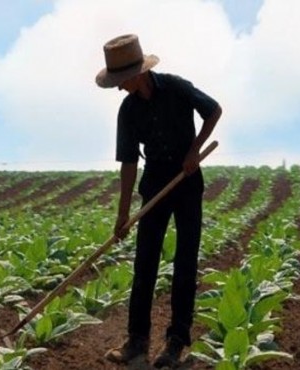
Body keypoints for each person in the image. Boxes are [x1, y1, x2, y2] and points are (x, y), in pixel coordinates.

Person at [95, 34, 222, 368]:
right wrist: (122, 215)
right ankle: (137, 342)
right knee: (145, 263)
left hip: (186, 180)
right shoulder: (128, 110)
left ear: (137, 74)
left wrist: (194, 150)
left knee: (185, 263)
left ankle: (176, 342)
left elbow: (214, 110)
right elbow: (128, 163)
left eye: (121, 81)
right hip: (154, 184)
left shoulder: (177, 88)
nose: (120, 88)